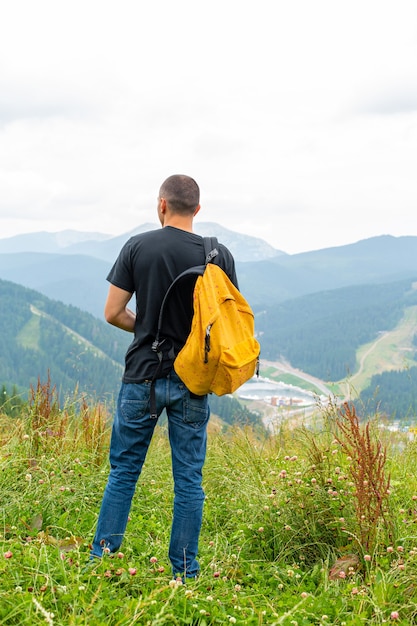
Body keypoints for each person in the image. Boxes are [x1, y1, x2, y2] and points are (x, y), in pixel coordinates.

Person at [90, 174, 238, 580]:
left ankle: (100, 562)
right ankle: (184, 573)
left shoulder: (138, 246)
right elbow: (226, 322)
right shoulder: (218, 254)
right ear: (198, 209)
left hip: (143, 375)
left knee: (124, 471)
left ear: (161, 205)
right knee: (189, 479)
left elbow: (113, 312)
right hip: (193, 380)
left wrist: (146, 329)